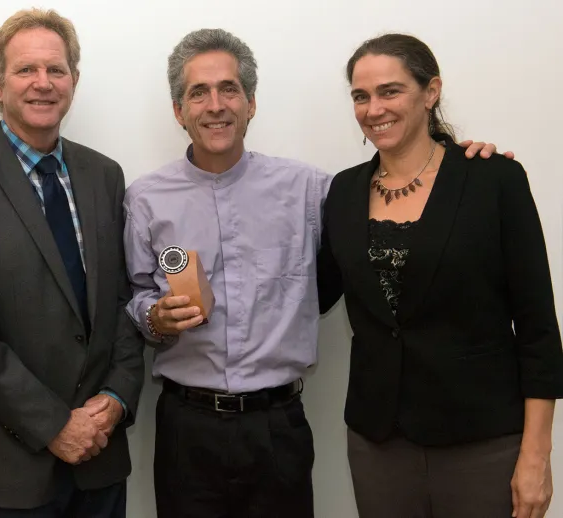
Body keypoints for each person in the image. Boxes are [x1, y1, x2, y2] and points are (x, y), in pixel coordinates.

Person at [124, 28, 505, 517]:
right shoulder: (145, 198)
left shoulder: (313, 191)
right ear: (179, 110)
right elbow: (134, 296)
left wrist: (461, 165)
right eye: (198, 92)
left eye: (229, 89)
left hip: (278, 426)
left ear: (251, 102)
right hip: (185, 426)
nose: (215, 105)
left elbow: (401, 198)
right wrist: (155, 317)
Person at [316, 33, 563, 518]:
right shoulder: (343, 191)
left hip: (482, 442)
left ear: (430, 92)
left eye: (390, 91)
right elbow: (313, 293)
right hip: (378, 444)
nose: (373, 109)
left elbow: (537, 330)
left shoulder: (493, 180)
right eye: (360, 96)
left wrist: (537, 455)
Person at [0, 9, 145, 518]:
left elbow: (125, 301)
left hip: (100, 459)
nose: (43, 83)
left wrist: (117, 396)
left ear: (74, 80)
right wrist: (53, 426)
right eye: (26, 70)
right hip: (7, 468)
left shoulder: (104, 175)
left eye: (56, 70)